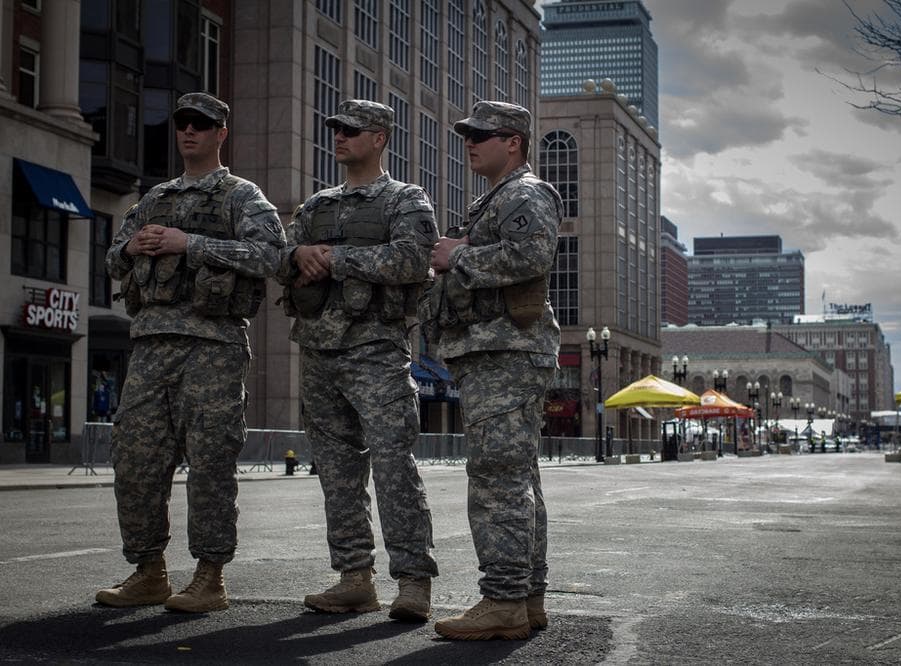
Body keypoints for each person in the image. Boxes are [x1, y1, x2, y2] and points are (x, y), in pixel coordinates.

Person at [97, 92, 286, 613]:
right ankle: (148, 571)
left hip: (213, 347)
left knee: (210, 464)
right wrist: (130, 248)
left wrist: (192, 244)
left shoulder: (241, 195)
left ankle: (209, 576)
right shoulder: (154, 198)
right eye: (182, 123)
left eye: (201, 125)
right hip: (150, 345)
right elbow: (114, 258)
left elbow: (271, 255)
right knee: (134, 460)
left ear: (221, 133)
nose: (189, 132)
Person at [277, 99, 439, 622]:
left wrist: (335, 259)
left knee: (394, 467)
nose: (339, 136)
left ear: (379, 138)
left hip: (376, 349)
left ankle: (413, 581)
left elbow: (415, 259)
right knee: (337, 472)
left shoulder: (405, 199)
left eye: (351, 129)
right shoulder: (316, 205)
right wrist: (297, 257)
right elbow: (283, 257)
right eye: (335, 128)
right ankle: (354, 577)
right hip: (319, 350)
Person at [428, 101, 562, 640]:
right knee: (518, 477)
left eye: (484, 135)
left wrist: (457, 256)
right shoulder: (499, 197)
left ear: (515, 142)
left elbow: (533, 255)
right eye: (468, 134)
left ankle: (503, 601)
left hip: (506, 352)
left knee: (496, 480)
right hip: (499, 351)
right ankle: (525, 598)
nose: (471, 142)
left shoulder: (523, 193)